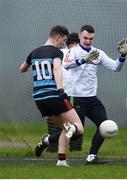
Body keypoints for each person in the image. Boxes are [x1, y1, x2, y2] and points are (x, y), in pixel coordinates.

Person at [63, 25, 127, 164]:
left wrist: (123, 55)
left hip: (92, 99)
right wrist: (83, 60)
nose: (88, 41)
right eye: (85, 38)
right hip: (76, 98)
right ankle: (47, 140)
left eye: (91, 39)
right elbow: (66, 65)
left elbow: (116, 67)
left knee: (104, 126)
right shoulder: (73, 51)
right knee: (76, 134)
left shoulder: (98, 53)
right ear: (80, 36)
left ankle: (92, 157)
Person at [19, 25, 84, 167]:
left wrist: (37, 64)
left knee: (65, 128)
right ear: (58, 37)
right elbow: (56, 68)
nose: (63, 44)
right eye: (64, 40)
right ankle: (57, 137)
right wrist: (61, 90)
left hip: (39, 99)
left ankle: (61, 159)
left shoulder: (34, 52)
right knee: (78, 127)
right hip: (54, 95)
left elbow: (22, 68)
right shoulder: (56, 52)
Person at [47, 33, 83, 152]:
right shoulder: (60, 53)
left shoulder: (81, 54)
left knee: (73, 123)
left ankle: (75, 147)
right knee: (58, 120)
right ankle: (51, 146)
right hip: (59, 92)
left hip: (73, 93)